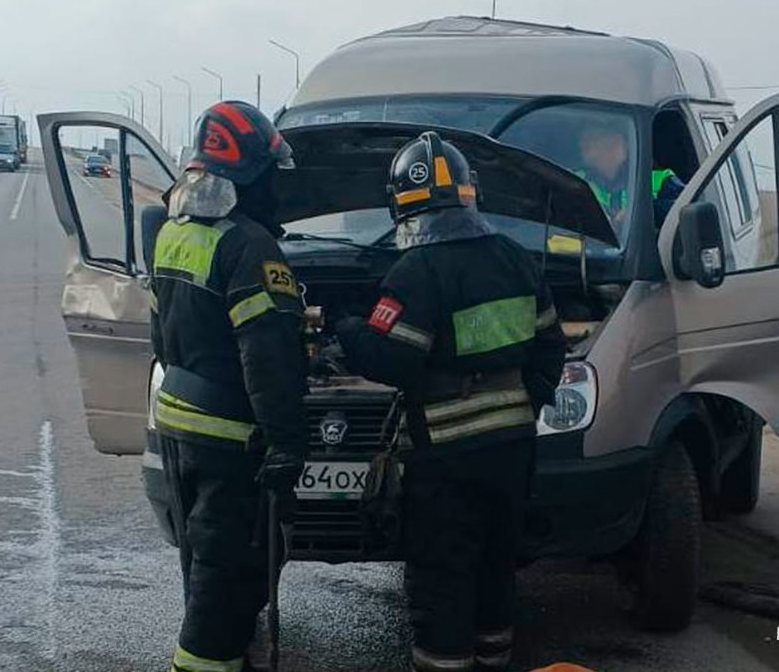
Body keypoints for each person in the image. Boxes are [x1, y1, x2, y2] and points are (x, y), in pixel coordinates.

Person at [336, 131, 568, 672]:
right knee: (495, 566)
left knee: (443, 575)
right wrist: (522, 402)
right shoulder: (515, 258)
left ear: (403, 207)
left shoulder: (415, 272)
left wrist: (346, 330)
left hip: (444, 459)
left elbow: (392, 361)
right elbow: (551, 345)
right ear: (470, 194)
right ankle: (494, 660)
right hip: (511, 450)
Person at [150, 101, 308, 672]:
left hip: (180, 423)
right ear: (250, 175)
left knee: (203, 563)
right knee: (230, 574)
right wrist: (288, 441)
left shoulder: (173, 232)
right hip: (231, 436)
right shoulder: (249, 246)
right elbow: (266, 358)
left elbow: (161, 334)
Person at [575, 119, 685, 228]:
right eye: (582, 137)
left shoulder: (660, 180)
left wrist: (640, 211)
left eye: (591, 137)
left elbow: (684, 212)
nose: (581, 142)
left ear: (617, 141)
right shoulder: (576, 180)